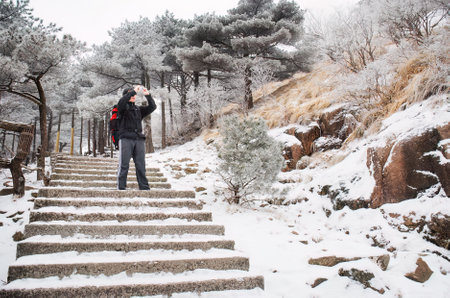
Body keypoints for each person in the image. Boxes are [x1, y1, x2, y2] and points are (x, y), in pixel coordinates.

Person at [117, 85, 157, 190]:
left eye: (134, 94)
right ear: (126, 95)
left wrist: (147, 95)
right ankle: (121, 187)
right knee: (124, 164)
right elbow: (122, 102)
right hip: (125, 138)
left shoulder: (138, 109)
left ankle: (144, 187)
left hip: (139, 139)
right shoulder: (121, 108)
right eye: (130, 93)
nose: (134, 95)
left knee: (141, 165)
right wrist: (134, 91)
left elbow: (153, 107)